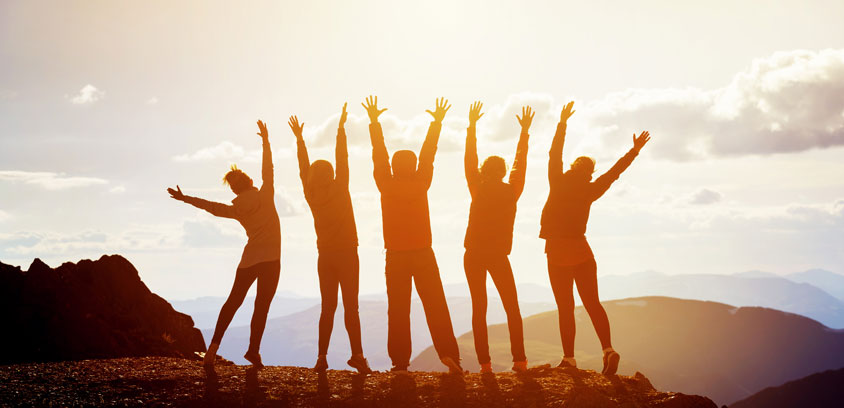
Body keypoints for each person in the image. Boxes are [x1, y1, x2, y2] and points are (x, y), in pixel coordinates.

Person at [540, 101, 651, 376]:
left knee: (566, 308)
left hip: (557, 251)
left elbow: (554, 154)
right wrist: (634, 151)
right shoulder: (592, 188)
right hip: (582, 251)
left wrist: (562, 124)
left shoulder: (557, 180)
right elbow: (615, 172)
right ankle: (608, 350)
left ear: (573, 166)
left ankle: (569, 359)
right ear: (589, 172)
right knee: (593, 303)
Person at [167, 120, 281, 370]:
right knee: (261, 307)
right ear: (249, 180)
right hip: (272, 260)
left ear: (234, 188)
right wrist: (266, 142)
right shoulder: (266, 194)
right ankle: (253, 351)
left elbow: (209, 206)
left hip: (249, 260)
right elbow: (268, 168)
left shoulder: (236, 209)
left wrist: (184, 198)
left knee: (232, 302)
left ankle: (212, 349)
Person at [361, 95, 463, 374]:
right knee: (436, 304)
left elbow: (378, 154)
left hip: (395, 256)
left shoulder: (385, 183)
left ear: (394, 166)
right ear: (414, 165)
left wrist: (373, 122)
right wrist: (437, 124)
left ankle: (400, 363)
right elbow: (429, 154)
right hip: (423, 253)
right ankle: (449, 354)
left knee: (398, 310)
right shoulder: (421, 182)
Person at [288, 104, 372, 374]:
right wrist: (340, 131)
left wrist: (300, 140)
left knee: (328, 308)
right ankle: (357, 355)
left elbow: (303, 168)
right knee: (351, 308)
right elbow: (343, 159)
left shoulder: (311, 193)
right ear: (332, 174)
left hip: (324, 256)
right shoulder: (340, 188)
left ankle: (321, 358)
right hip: (347, 253)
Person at [463, 101, 531, 373]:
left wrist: (471, 128)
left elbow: (469, 161)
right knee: (512, 307)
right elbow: (521, 163)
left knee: (479, 308)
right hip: (498, 254)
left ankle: (485, 365)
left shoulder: (477, 188)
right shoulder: (512, 190)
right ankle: (521, 362)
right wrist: (524, 133)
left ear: (483, 171)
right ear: (503, 172)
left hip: (474, 254)